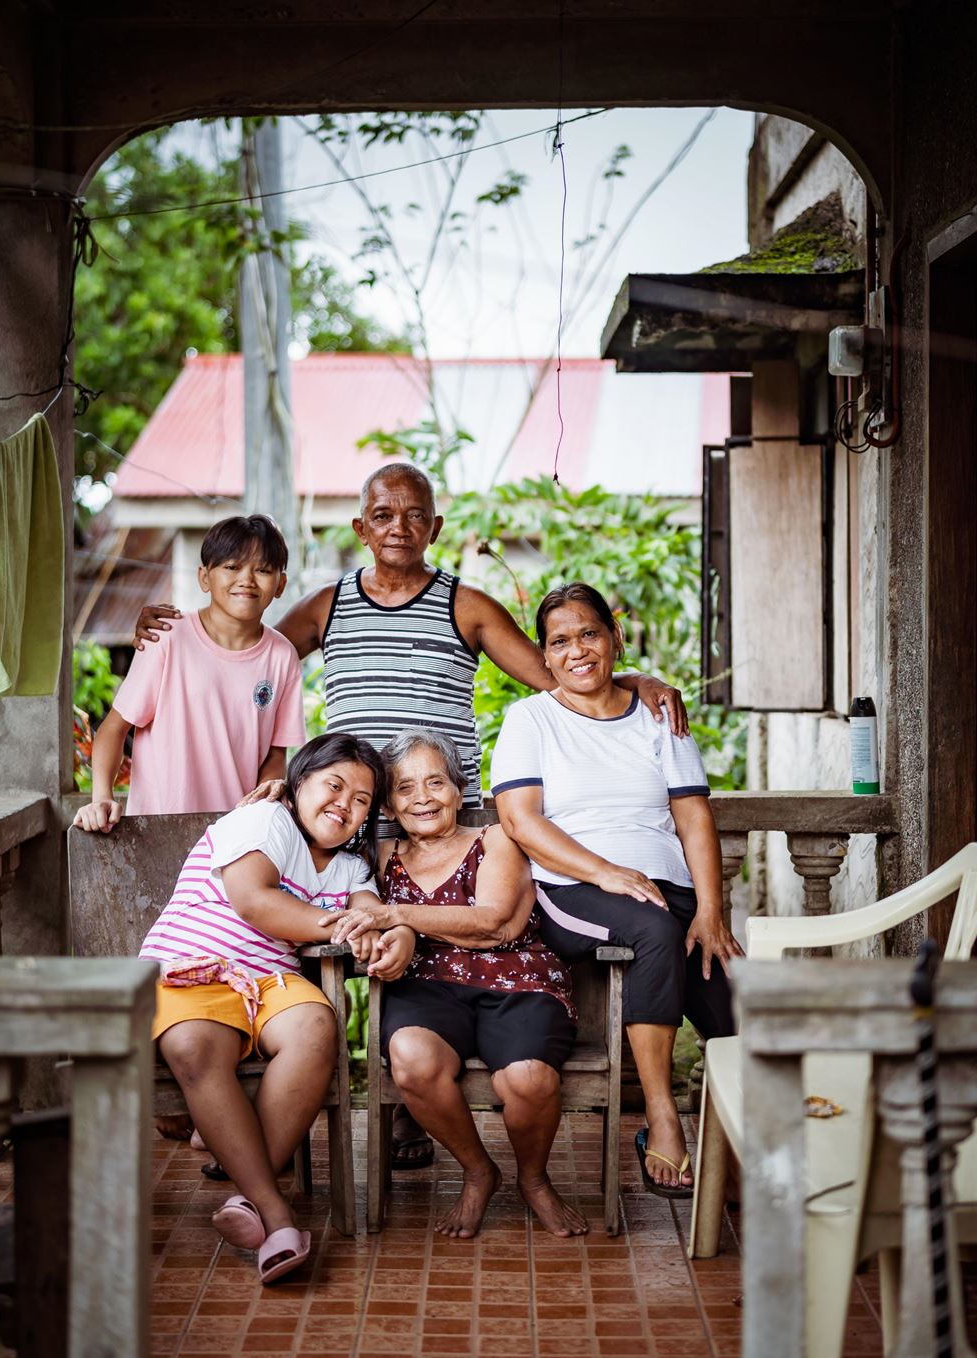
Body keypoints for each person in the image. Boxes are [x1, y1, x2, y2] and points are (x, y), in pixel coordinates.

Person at [132, 463, 688, 1169]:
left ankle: (406, 1115)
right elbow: (244, 647)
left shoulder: (468, 605)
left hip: (442, 819)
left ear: (435, 527)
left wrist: (632, 678)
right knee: (352, 953)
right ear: (361, 528)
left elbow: (555, 673)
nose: (399, 527)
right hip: (354, 819)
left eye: (414, 514)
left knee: (435, 951)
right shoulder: (328, 605)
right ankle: (274, 1120)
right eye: (383, 515)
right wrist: (173, 630)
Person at [490, 582, 742, 1198]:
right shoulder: (530, 720)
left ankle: (745, 1143)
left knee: (734, 999)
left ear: (615, 638)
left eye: (589, 634)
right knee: (653, 931)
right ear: (544, 656)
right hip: (571, 890)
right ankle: (661, 1116)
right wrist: (603, 871)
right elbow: (521, 821)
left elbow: (693, 817)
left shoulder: (657, 715)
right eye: (559, 642)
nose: (576, 650)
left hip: (666, 890)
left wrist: (711, 910)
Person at [139, 732, 415, 1284]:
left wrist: (394, 934)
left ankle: (243, 1188)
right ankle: (274, 1212)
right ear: (299, 782)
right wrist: (346, 927)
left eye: (361, 799)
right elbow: (255, 900)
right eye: (333, 786)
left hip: (272, 981)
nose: (344, 804)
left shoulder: (351, 867)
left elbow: (372, 912)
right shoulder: (264, 820)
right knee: (193, 1047)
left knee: (316, 1026)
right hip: (193, 968)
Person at [330, 728, 586, 1240]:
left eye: (435, 782)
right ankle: (477, 1172)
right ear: (388, 804)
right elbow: (315, 831)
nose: (422, 798)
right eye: (404, 788)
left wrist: (397, 915)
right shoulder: (379, 856)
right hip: (426, 985)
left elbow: (493, 922)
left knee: (529, 1080)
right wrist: (278, 791)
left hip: (516, 980)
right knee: (412, 1059)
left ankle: (534, 1179)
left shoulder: (494, 839)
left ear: (459, 790)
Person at [75, 513, 306, 831]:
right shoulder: (165, 636)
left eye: (263, 570)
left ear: (280, 584)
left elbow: (275, 755)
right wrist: (101, 796)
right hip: (158, 829)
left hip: (234, 836)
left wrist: (261, 807)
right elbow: (114, 728)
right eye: (232, 567)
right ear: (204, 577)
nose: (247, 579)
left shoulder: (282, 656)